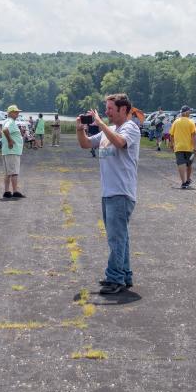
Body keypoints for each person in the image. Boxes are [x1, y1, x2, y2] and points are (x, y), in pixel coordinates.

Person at [75, 93, 141, 296]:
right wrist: (80, 130)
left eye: (110, 108)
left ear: (123, 109)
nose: (106, 112)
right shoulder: (108, 130)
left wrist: (100, 123)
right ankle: (124, 274)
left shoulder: (130, 128)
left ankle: (115, 278)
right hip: (109, 192)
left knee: (116, 238)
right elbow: (86, 144)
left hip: (121, 192)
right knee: (121, 237)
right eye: (106, 109)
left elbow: (121, 143)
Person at [0, 105, 25, 199]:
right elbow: (5, 130)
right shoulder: (10, 121)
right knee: (14, 172)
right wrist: (10, 140)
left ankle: (7, 191)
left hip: (8, 151)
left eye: (17, 112)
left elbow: (4, 130)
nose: (17, 113)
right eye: (15, 112)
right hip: (12, 151)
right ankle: (15, 191)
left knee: (8, 173)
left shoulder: (7, 121)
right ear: (10, 113)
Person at [170, 105, 196, 189]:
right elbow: (193, 136)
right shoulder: (191, 122)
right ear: (186, 112)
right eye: (189, 111)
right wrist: (195, 147)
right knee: (189, 164)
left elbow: (171, 135)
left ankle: (184, 182)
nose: (190, 113)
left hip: (178, 147)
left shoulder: (176, 122)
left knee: (181, 164)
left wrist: (172, 144)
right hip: (189, 147)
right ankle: (188, 179)